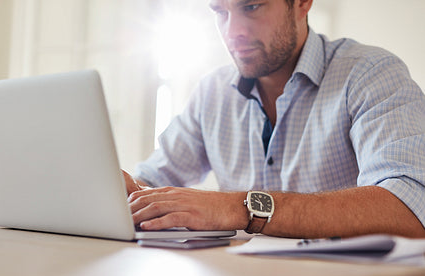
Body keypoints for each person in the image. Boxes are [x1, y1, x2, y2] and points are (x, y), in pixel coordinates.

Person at [123, 0, 425, 238]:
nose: (232, 32)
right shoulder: (211, 92)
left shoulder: (369, 73)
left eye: (251, 7)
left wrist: (240, 208)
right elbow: (152, 182)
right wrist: (124, 192)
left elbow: (411, 208)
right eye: (220, 12)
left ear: (302, 3)